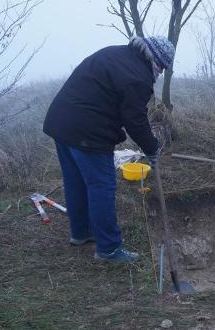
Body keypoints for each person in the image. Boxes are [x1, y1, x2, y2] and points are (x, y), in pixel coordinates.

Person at [43, 36, 175, 263]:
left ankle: (81, 233)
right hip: (87, 132)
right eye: (162, 67)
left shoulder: (116, 53)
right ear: (156, 61)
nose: (160, 73)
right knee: (101, 186)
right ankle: (109, 248)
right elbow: (135, 119)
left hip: (61, 122)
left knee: (75, 181)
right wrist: (152, 147)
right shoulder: (138, 77)